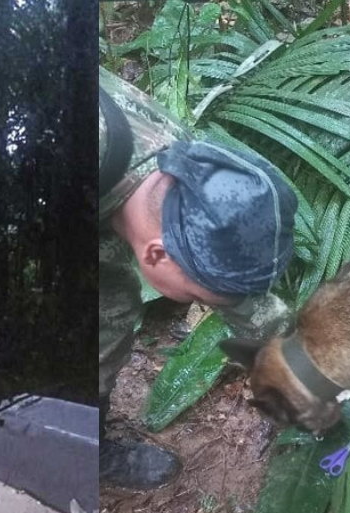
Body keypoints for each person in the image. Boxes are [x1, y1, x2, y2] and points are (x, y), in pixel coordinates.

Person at [99, 67, 299, 490]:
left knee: (110, 308)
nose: (212, 303)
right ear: (157, 253)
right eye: (200, 296)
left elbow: (241, 298)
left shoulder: (187, 166)